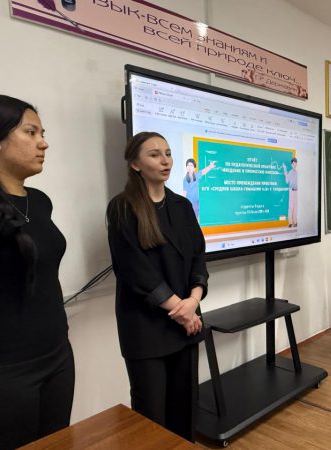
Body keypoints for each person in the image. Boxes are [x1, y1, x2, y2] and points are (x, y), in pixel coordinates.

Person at [0, 95, 74, 449]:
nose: (43, 143)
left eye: (43, 133)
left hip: (57, 357)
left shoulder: (39, 202)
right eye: (31, 132)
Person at [107, 132, 208, 441]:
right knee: (151, 417)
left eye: (168, 153)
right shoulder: (122, 207)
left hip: (186, 323)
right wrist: (182, 310)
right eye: (154, 155)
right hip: (147, 329)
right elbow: (135, 271)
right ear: (135, 164)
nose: (165, 161)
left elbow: (198, 257)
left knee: (185, 410)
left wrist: (194, 300)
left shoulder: (182, 206)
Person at [282, 157, 298, 227]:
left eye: (295, 163)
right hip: (291, 191)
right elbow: (287, 181)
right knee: (291, 206)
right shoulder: (290, 172)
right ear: (291, 164)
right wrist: (285, 170)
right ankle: (290, 222)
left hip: (297, 191)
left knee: (295, 207)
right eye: (293, 163)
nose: (294, 165)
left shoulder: (298, 173)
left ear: (296, 164)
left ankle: (295, 222)